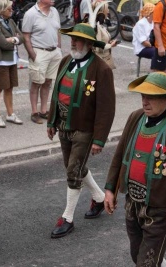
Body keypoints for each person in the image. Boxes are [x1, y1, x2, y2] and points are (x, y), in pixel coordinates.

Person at [104, 72, 166, 266]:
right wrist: (109, 189)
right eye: (143, 96)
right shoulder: (135, 117)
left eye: (151, 97)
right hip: (132, 203)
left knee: (146, 263)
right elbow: (120, 154)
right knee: (138, 255)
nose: (145, 102)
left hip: (161, 209)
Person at [47, 23, 115, 238]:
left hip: (85, 129)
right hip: (63, 126)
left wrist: (99, 139)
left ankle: (67, 218)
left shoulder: (101, 69)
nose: (72, 42)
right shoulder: (66, 61)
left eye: (76, 39)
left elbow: (107, 108)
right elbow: (56, 93)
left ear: (88, 43)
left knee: (73, 171)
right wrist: (51, 121)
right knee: (72, 166)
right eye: (72, 39)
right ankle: (98, 197)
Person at [22, 0, 63, 124]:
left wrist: (59, 48)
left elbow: (58, 31)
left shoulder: (54, 11)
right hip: (39, 51)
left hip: (54, 51)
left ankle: (44, 110)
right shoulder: (31, 14)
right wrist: (32, 54)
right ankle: (34, 112)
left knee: (48, 81)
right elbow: (26, 36)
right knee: (36, 83)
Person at [0, 0, 24, 128]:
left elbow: (22, 37)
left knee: (9, 87)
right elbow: (3, 44)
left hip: (11, 59)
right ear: (1, 10)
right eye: (9, 9)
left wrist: (13, 39)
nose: (12, 11)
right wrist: (14, 39)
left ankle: (10, 114)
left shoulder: (11, 21)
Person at [93, 1, 118, 69]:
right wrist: (111, 45)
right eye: (107, 9)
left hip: (105, 61)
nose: (108, 11)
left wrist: (109, 42)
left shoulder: (101, 25)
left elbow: (102, 41)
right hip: (100, 63)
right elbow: (98, 48)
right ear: (102, 11)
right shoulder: (97, 27)